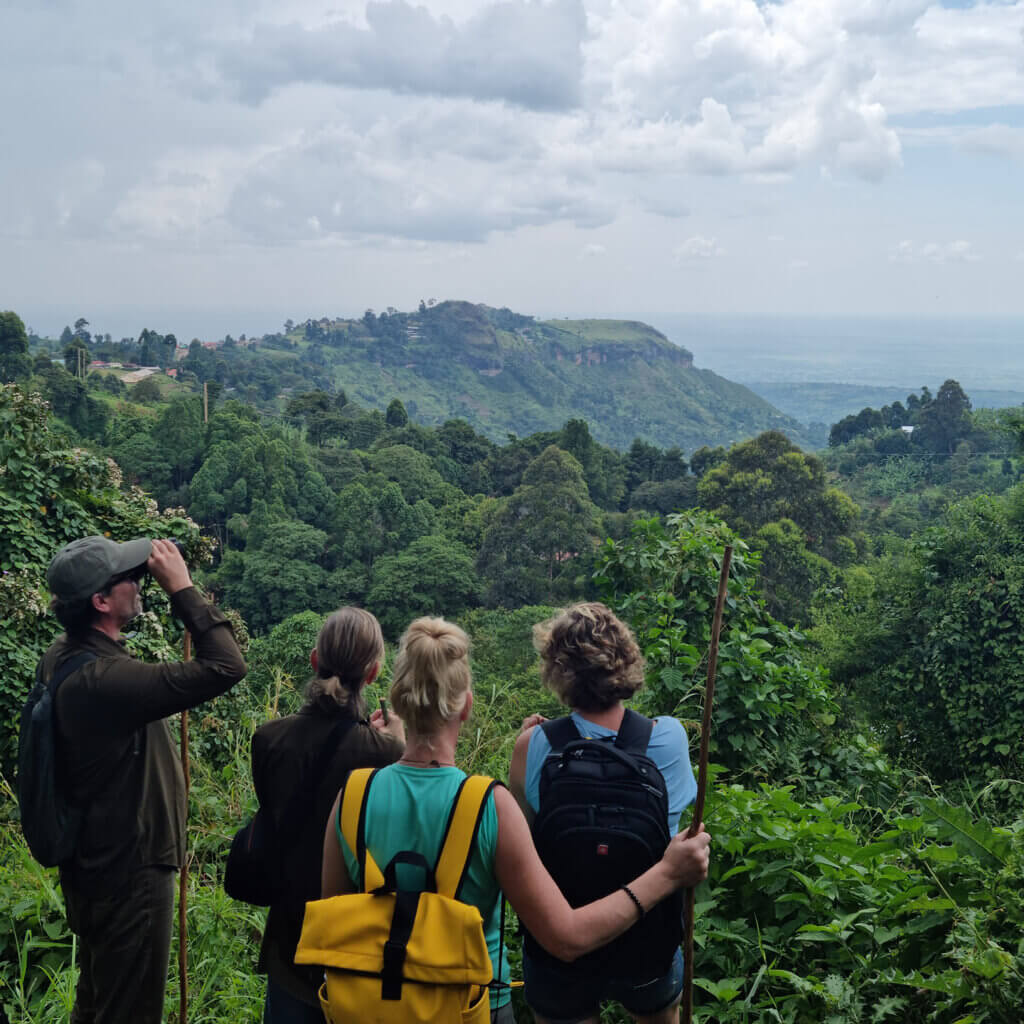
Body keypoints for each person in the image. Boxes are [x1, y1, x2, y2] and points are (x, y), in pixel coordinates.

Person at [321, 616, 710, 1024]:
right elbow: (563, 933)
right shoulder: (487, 805)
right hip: (471, 1004)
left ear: (396, 700)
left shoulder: (352, 796)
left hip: (368, 1006)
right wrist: (668, 873)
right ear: (466, 705)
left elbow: (333, 926)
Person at [41, 535, 247, 1024]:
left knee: (99, 1003)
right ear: (101, 601)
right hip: (130, 874)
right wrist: (182, 590)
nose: (140, 583)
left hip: (95, 863)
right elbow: (226, 665)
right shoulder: (105, 680)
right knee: (130, 1011)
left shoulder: (64, 654)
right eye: (129, 578)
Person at [509, 601, 698, 1024]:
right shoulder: (668, 737)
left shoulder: (534, 745)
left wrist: (531, 745)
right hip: (648, 943)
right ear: (626, 660)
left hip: (559, 944)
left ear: (557, 672)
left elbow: (526, 841)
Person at [249, 606, 406, 1023]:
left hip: (290, 936)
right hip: (359, 940)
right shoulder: (385, 753)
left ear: (314, 660)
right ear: (373, 673)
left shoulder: (268, 739)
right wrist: (396, 744)